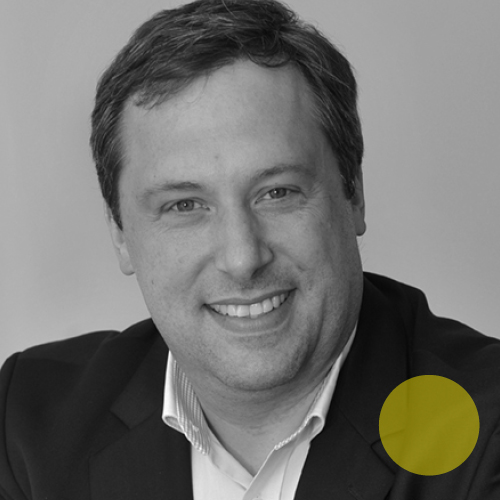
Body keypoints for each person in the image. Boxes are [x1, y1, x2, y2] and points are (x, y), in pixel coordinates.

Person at [1, 0, 499, 498]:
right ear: (119, 233)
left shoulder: (488, 430)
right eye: (185, 205)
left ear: (354, 195)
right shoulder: (27, 423)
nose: (243, 259)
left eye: (277, 193)